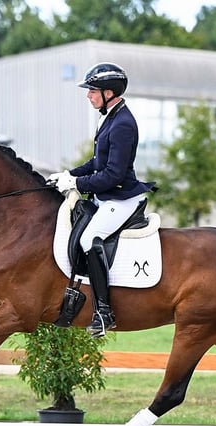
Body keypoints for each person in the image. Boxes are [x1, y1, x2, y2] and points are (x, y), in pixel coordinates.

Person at [50, 62, 155, 338]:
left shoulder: (123, 123)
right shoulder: (109, 116)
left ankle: (104, 312)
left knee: (88, 239)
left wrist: (76, 183)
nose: (89, 95)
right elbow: (97, 162)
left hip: (120, 198)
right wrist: (68, 173)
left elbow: (112, 174)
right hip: (107, 195)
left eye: (93, 91)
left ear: (110, 92)